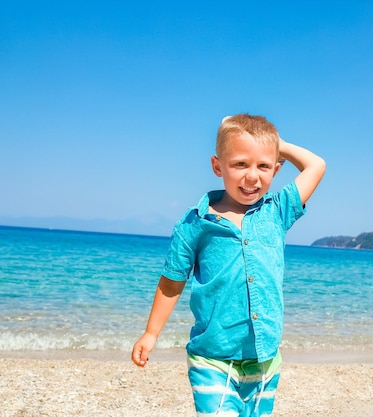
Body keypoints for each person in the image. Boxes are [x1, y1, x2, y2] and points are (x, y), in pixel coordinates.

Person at [131, 113, 326, 416]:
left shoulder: (276, 212)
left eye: (263, 166)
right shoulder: (195, 223)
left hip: (264, 357)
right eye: (240, 164)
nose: (252, 176)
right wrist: (151, 333)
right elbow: (172, 283)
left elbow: (316, 166)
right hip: (212, 357)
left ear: (276, 168)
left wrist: (279, 144)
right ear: (217, 166)